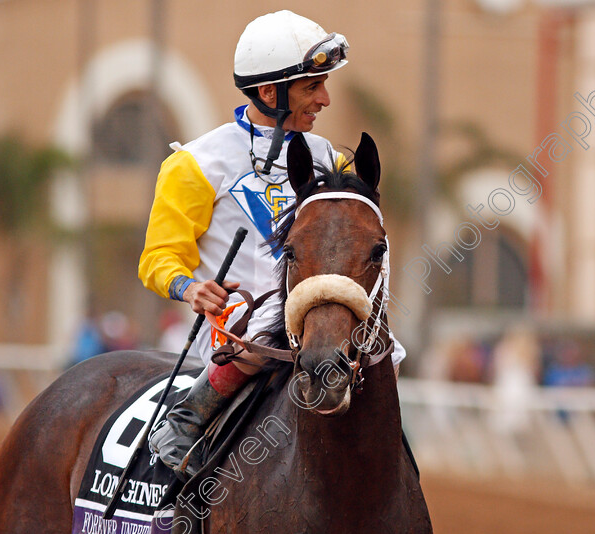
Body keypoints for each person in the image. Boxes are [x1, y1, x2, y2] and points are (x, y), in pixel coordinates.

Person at [139, 10, 403, 478]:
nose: (324, 99)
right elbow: (158, 257)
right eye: (311, 87)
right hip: (241, 331)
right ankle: (184, 421)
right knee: (264, 332)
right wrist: (189, 288)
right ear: (269, 92)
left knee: (389, 354)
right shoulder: (196, 163)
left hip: (322, 318)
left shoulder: (332, 160)